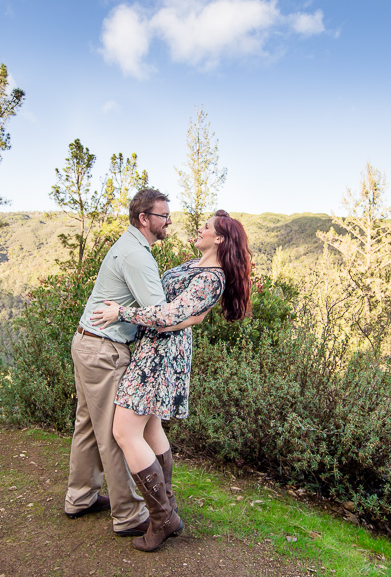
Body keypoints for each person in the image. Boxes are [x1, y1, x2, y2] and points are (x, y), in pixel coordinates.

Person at [90, 210, 252, 551]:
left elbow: (170, 315)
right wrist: (185, 317)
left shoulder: (212, 278)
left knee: (124, 431)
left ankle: (161, 517)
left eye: (206, 227)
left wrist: (122, 313)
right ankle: (168, 509)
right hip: (154, 348)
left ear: (220, 238)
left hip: (160, 358)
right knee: (149, 430)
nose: (200, 228)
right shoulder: (197, 265)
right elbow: (178, 312)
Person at [64, 188, 180, 537]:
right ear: (144, 218)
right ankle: (129, 514)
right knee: (117, 433)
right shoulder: (137, 256)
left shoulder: (130, 247)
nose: (169, 221)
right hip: (104, 351)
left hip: (88, 345)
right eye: (163, 215)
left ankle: (80, 497)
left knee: (88, 424)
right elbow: (161, 314)